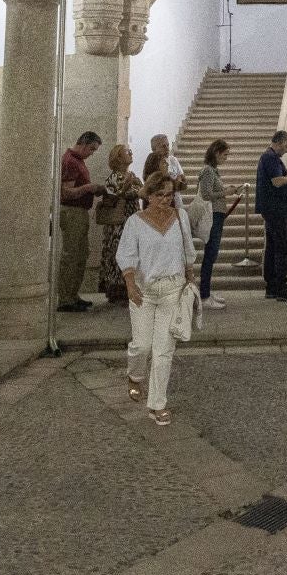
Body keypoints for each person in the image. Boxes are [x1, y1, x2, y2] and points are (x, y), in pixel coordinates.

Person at [119, 171, 197, 427]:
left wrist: (191, 277)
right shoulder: (135, 222)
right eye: (160, 195)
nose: (165, 200)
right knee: (142, 346)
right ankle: (135, 374)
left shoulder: (180, 217)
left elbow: (187, 251)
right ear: (148, 195)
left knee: (163, 350)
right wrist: (130, 285)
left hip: (173, 289)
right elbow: (127, 256)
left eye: (170, 195)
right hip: (144, 289)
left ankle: (157, 404)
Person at [256, 130, 287, 302]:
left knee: (272, 248)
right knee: (282, 248)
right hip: (275, 209)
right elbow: (277, 182)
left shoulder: (268, 157)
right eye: (286, 145)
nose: (286, 149)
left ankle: (272, 287)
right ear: (280, 141)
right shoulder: (270, 158)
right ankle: (281, 288)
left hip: (272, 208)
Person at [58, 131, 103, 313]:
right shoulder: (70, 161)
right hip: (72, 212)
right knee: (71, 256)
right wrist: (89, 188)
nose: (92, 153)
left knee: (81, 254)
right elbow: (65, 192)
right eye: (91, 149)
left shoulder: (78, 161)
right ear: (83, 143)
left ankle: (73, 294)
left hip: (80, 212)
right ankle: (65, 299)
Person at [93, 143, 142, 305]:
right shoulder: (114, 176)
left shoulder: (132, 174)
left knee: (131, 253)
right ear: (119, 157)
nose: (131, 153)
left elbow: (142, 192)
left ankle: (129, 287)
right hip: (119, 222)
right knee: (118, 253)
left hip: (132, 218)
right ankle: (117, 290)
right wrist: (127, 185)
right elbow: (112, 198)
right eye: (128, 152)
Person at [195, 139, 233, 310]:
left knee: (212, 254)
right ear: (216, 153)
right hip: (212, 216)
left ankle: (207, 292)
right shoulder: (208, 171)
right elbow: (206, 194)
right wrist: (226, 192)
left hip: (217, 214)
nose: (226, 158)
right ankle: (204, 295)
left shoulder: (213, 171)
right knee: (210, 255)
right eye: (224, 155)